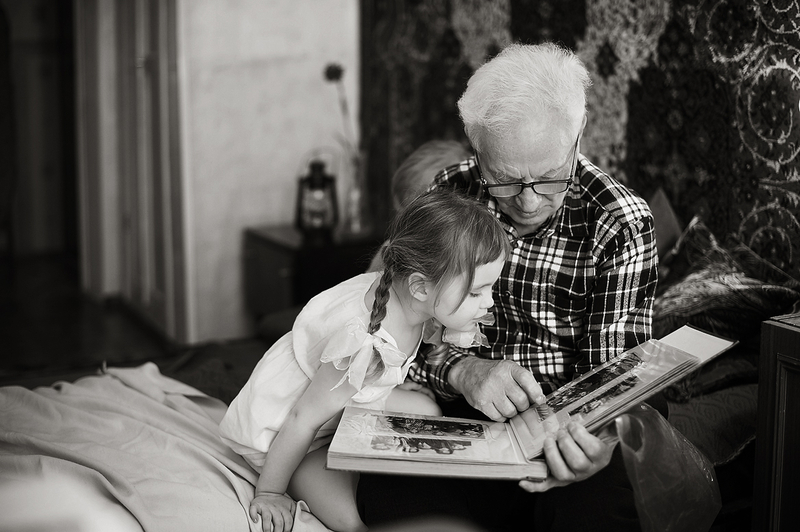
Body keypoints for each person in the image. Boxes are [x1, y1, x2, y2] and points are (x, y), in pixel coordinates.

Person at [357, 42, 659, 531]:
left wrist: (595, 441)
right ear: (476, 149)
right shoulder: (449, 194)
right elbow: (403, 332)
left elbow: (613, 377)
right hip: (466, 410)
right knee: (389, 489)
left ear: (578, 133)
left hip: (572, 422)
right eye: (504, 180)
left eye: (550, 177)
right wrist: (461, 370)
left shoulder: (618, 222)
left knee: (596, 507)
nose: (528, 202)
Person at [220, 189, 510, 532]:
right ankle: (289, 478)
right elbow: (301, 419)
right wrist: (270, 492)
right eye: (476, 292)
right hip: (290, 430)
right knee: (353, 520)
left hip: (338, 404)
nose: (489, 302)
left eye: (490, 288)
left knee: (429, 410)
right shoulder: (364, 343)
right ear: (420, 287)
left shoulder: (405, 296)